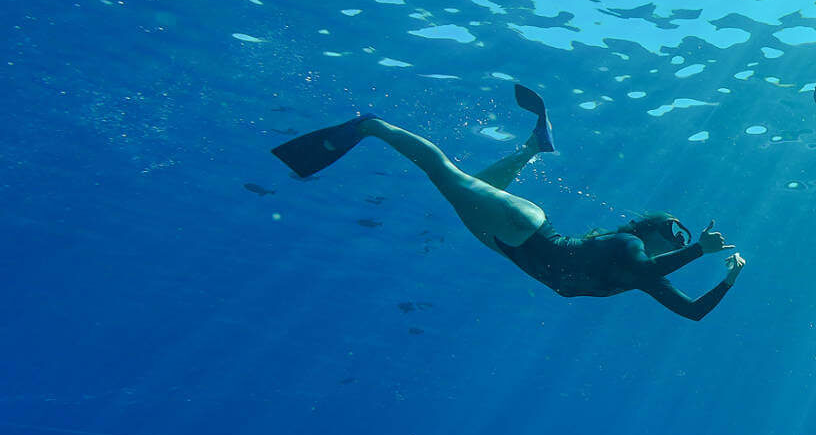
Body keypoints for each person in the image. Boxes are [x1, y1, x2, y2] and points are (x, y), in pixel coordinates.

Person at [270, 84, 744, 320]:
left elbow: (693, 312)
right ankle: (373, 126)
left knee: (471, 184)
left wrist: (729, 277)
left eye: (681, 238)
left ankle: (533, 146)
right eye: (675, 230)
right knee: (446, 174)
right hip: (524, 230)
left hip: (509, 244)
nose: (677, 239)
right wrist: (698, 251)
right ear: (649, 229)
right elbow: (649, 270)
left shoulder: (642, 270)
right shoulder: (628, 248)